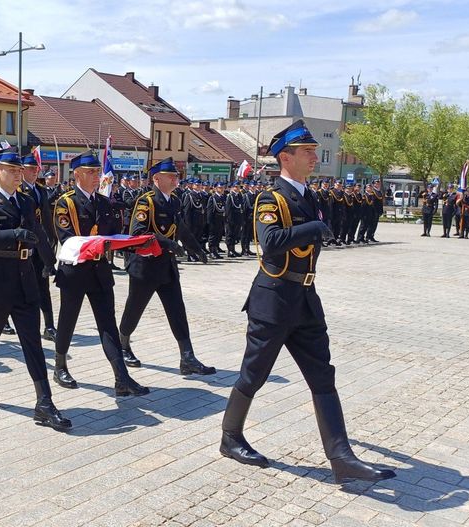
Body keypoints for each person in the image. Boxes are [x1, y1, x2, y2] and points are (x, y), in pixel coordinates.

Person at [221, 120, 396, 483]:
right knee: (253, 375)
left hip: (305, 299)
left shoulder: (309, 194)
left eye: (315, 151)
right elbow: (269, 241)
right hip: (273, 300)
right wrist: (313, 228)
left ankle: (341, 457)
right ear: (285, 157)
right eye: (307, 152)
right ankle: (231, 437)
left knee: (323, 377)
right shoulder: (271, 197)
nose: (315, 157)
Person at [0, 147, 70, 431]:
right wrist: (12, 235)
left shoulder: (25, 201)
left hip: (25, 280)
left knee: (33, 344)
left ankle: (44, 402)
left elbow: (39, 235)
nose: (18, 175)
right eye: (12, 170)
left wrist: (53, 266)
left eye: (20, 170)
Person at [51, 151, 148, 397]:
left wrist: (135, 243)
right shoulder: (66, 203)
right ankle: (60, 365)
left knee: (107, 325)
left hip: (100, 271)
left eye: (97, 172)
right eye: (92, 172)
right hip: (75, 271)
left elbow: (115, 234)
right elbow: (67, 239)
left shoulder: (105, 203)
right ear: (77, 175)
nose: (97, 177)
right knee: (68, 320)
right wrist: (99, 243)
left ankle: (121, 377)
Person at [118, 157, 214, 374]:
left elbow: (181, 229)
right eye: (170, 176)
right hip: (145, 267)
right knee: (135, 309)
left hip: (166, 267)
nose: (175, 180)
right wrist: (168, 243)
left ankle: (187, 357)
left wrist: (197, 249)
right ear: (157, 179)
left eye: (176, 176)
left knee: (177, 310)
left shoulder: (174, 201)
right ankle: (122, 344)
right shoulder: (147, 202)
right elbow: (138, 234)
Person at [19, 150, 59, 341]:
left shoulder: (41, 190)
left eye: (36, 169)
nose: (35, 172)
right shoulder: (18, 191)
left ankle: (49, 326)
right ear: (22, 170)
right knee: (17, 288)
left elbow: (46, 219)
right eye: (30, 169)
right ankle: (6, 321)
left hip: (41, 246)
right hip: (24, 247)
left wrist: (52, 240)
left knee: (43, 286)